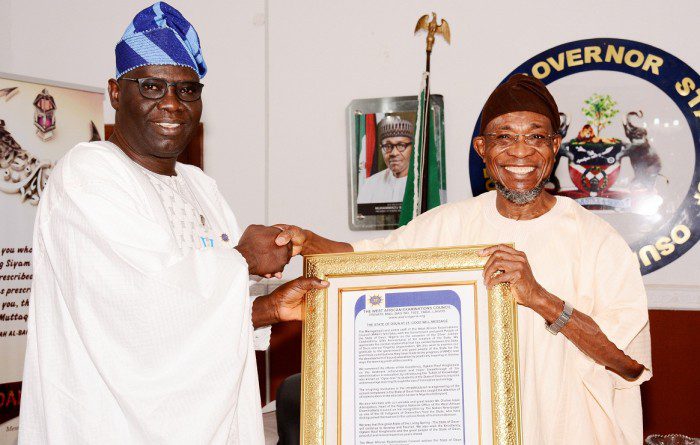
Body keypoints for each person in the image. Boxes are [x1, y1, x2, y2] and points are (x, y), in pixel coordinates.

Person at [275, 74, 651, 445]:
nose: (521, 152)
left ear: (555, 146)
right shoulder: (448, 224)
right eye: (504, 137)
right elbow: (362, 263)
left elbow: (629, 364)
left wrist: (540, 298)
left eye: (536, 137)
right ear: (482, 148)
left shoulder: (597, 240)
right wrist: (305, 241)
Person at [19, 3, 326, 444]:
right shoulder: (88, 174)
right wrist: (243, 259)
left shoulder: (200, 186)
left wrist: (269, 308)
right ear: (115, 92)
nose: (171, 104)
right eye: (151, 86)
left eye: (187, 90)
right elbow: (137, 311)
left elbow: (190, 321)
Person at [357, 116, 414, 204]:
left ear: (412, 147)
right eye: (388, 146)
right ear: (381, 148)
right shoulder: (370, 185)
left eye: (401, 145)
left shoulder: (425, 184)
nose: (394, 153)